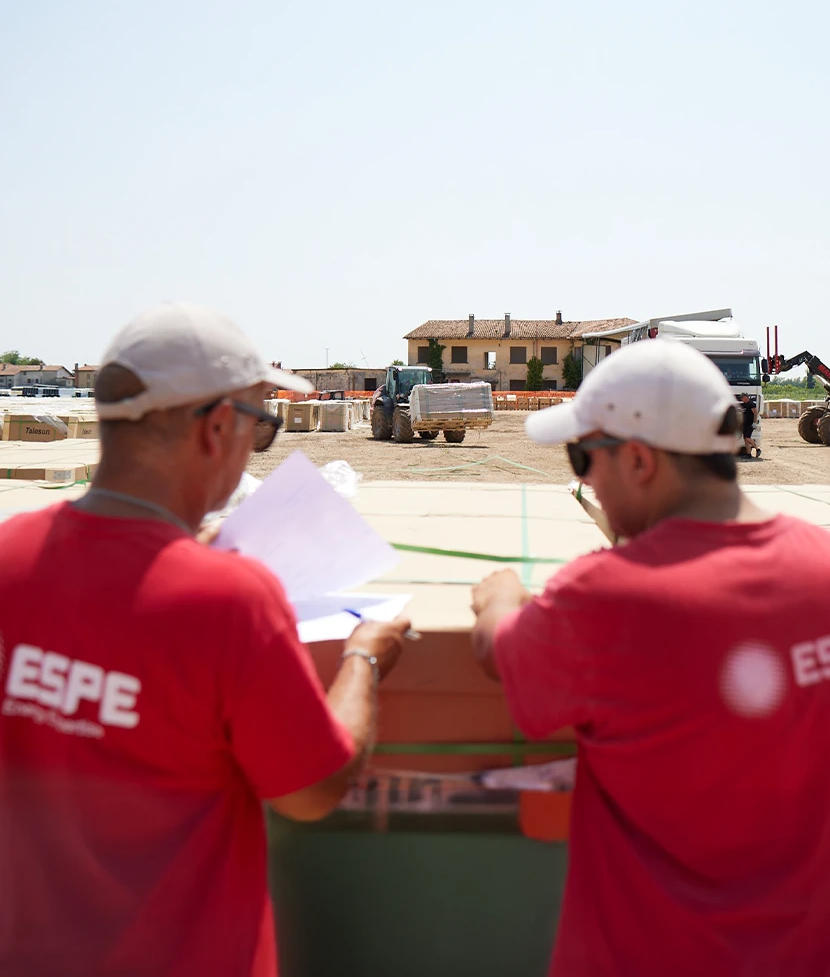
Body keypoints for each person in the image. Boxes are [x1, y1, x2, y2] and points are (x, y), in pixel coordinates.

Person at [0, 303, 410, 977]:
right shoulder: (229, 600)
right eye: (263, 428)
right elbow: (309, 791)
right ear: (219, 426)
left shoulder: (10, 555)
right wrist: (367, 656)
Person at [470, 339, 830, 977]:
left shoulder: (604, 595)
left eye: (584, 457)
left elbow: (503, 655)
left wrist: (502, 599)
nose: (585, 480)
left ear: (638, 458)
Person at [739, 391, 760, 458]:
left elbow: (755, 413)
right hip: (745, 423)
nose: (741, 399)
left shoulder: (751, 404)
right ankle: (748, 454)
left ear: (746, 397)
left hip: (750, 423)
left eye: (742, 397)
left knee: (747, 437)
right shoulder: (744, 405)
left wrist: (754, 422)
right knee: (745, 438)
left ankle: (757, 449)